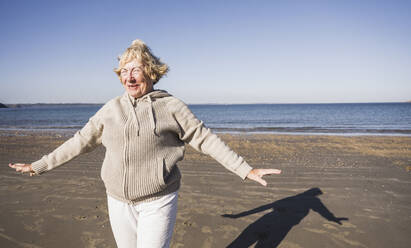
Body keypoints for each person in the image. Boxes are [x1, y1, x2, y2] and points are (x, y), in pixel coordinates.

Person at [8, 39, 282, 248]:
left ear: (151, 73)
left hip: (158, 200)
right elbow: (80, 141)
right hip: (117, 200)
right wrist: (38, 166)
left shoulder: (172, 106)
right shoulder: (110, 109)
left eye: (136, 70)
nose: (129, 76)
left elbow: (205, 138)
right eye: (124, 71)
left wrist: (245, 169)